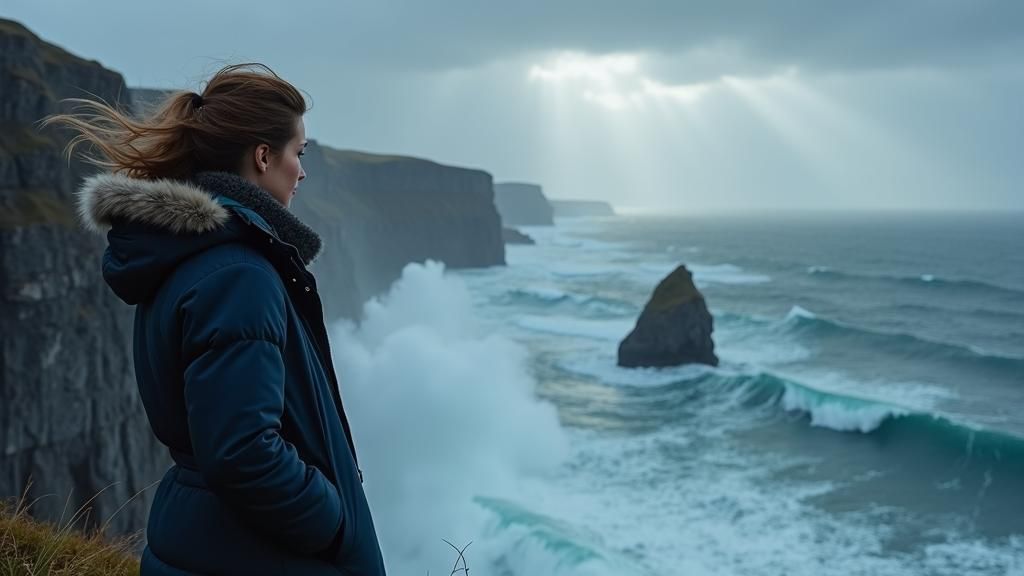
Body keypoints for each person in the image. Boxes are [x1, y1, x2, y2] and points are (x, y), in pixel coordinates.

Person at [45, 63, 387, 575]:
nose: (303, 170)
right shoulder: (239, 276)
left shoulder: (190, 256)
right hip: (252, 553)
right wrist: (334, 520)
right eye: (299, 152)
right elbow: (243, 452)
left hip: (207, 540)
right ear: (263, 156)